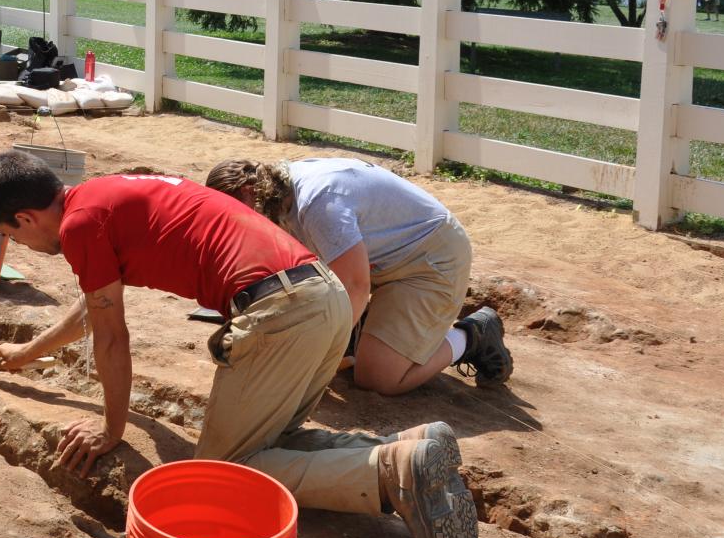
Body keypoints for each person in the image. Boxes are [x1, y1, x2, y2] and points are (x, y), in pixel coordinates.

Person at [0, 150, 478, 538]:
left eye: (13, 238)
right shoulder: (104, 195)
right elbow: (95, 306)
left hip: (282, 312)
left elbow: (111, 336)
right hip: (323, 297)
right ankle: (406, 450)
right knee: (273, 439)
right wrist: (25, 354)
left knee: (225, 473)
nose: (25, 248)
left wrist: (111, 429)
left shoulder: (81, 225)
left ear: (23, 218)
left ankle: (392, 475)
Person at [204, 158, 511, 395]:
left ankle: (471, 335)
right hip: (379, 259)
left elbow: (355, 285)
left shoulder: (316, 204)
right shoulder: (278, 192)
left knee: (378, 379)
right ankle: (362, 332)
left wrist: (314, 358)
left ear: (247, 192)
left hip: (429, 261)